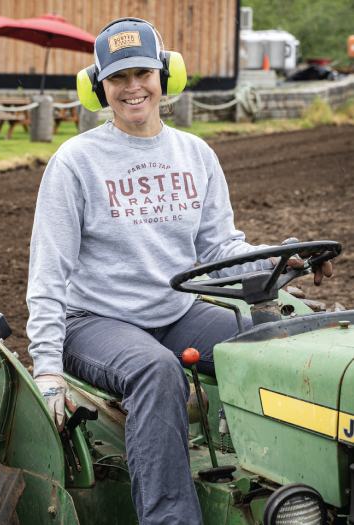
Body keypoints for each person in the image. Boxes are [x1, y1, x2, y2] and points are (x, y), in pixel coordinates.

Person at [26, 18, 333, 525]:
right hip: (93, 322)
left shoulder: (196, 153)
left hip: (175, 311)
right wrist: (47, 371)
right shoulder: (74, 162)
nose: (132, 88)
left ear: (166, 76)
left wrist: (283, 254)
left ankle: (302, 495)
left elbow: (222, 246)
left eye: (142, 73)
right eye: (117, 77)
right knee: (157, 370)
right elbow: (48, 275)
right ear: (96, 85)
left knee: (277, 340)